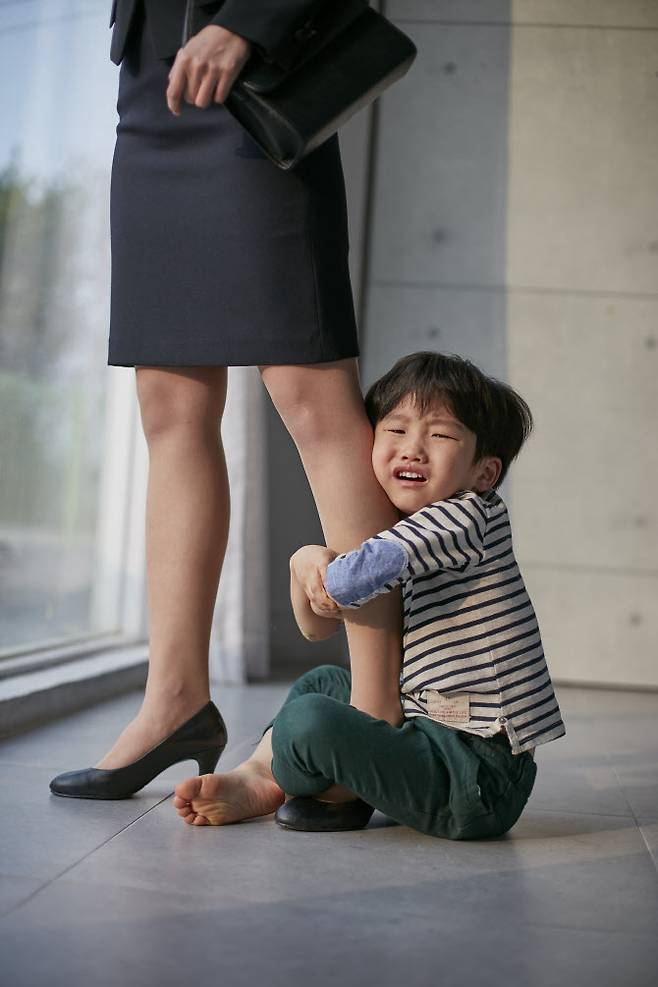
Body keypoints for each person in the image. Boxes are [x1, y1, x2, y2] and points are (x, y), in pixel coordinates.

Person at [49, 0, 404, 800]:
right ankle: (174, 698)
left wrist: (249, 20)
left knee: (314, 399)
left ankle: (378, 710)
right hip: (150, 85)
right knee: (169, 411)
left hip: (256, 75)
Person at [172, 351, 566, 839]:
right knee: (321, 685)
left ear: (484, 474)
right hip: (426, 729)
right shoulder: (416, 526)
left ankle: (308, 782)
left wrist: (317, 570)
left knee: (309, 721)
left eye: (440, 435)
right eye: (395, 430)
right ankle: (262, 773)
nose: (412, 449)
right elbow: (316, 629)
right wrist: (306, 563)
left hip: (473, 774)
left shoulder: (466, 517)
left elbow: (353, 581)